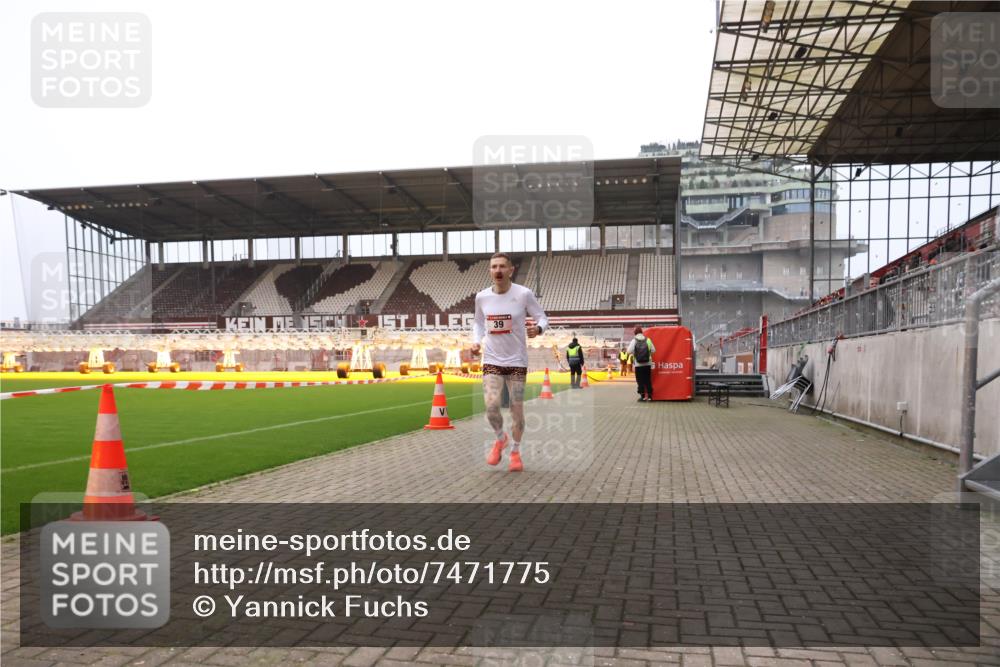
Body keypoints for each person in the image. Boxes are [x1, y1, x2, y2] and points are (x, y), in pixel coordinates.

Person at [471, 252, 549, 472]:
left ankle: (515, 452)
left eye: (502, 266)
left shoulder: (524, 294)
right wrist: (476, 342)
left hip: (516, 362)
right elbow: (477, 323)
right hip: (492, 360)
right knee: (491, 408)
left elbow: (542, 317)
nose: (498, 270)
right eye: (494, 266)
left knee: (516, 411)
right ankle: (500, 438)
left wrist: (539, 328)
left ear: (511, 270)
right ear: (490, 270)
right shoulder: (482, 297)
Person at [627, 325, 656, 401]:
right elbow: (653, 350)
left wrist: (635, 353)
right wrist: (647, 353)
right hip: (647, 363)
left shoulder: (634, 340)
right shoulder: (648, 340)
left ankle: (642, 396)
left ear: (635, 333)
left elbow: (629, 351)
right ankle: (650, 396)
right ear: (642, 332)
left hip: (638, 364)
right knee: (647, 380)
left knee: (640, 381)